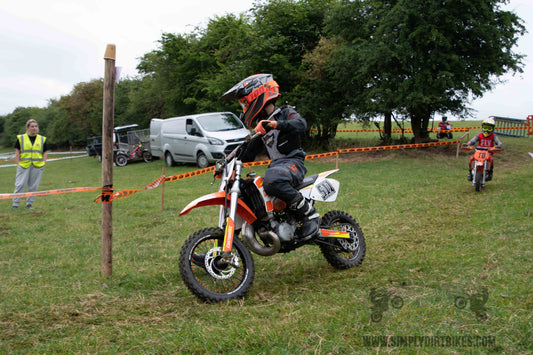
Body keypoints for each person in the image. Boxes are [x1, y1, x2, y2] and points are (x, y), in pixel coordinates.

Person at [220, 73, 319, 239]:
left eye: (244, 102)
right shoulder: (261, 126)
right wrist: (226, 163)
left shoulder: (285, 113)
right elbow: (247, 151)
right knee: (245, 188)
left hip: (294, 162)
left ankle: (310, 215)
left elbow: (301, 125)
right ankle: (229, 239)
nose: (244, 106)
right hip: (277, 167)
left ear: (256, 95)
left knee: (272, 179)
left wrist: (277, 124)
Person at [12, 119, 48, 209]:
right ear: (28, 127)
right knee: (20, 184)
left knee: (33, 185)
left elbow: (45, 152)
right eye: (32, 126)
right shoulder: (21, 138)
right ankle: (15, 204)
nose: (34, 128)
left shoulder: (42, 139)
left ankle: (29, 203)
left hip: (37, 166)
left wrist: (43, 162)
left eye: (36, 126)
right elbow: (17, 151)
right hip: (23, 165)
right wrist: (18, 163)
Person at [464, 117, 502, 181]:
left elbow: (498, 142)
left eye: (489, 128)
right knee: (472, 158)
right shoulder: (479, 135)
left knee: (491, 159)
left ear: (492, 129)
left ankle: (490, 173)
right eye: (485, 127)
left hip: (488, 152)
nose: (486, 130)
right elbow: (472, 141)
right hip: (478, 151)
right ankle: (470, 173)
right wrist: (468, 145)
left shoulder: (493, 136)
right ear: (482, 127)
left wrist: (498, 146)